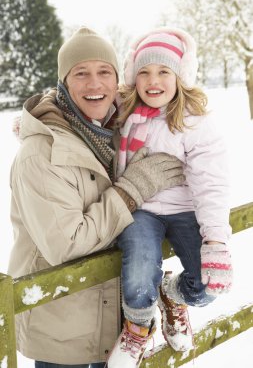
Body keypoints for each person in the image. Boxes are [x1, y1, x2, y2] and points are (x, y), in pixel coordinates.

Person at [7, 27, 185, 368]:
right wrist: (133, 188)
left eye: (104, 72)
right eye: (81, 74)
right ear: (63, 83)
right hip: (62, 329)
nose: (94, 84)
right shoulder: (40, 154)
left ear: (117, 80)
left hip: (115, 324)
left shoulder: (121, 132)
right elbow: (67, 243)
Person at [107, 27, 233, 368]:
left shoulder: (195, 121)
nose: (153, 80)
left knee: (207, 286)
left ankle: (172, 295)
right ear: (135, 76)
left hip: (184, 210)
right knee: (138, 272)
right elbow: (82, 101)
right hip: (141, 210)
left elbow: (211, 181)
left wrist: (216, 240)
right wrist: (43, 118)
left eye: (164, 71)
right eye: (145, 71)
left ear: (180, 76)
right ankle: (138, 329)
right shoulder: (122, 107)